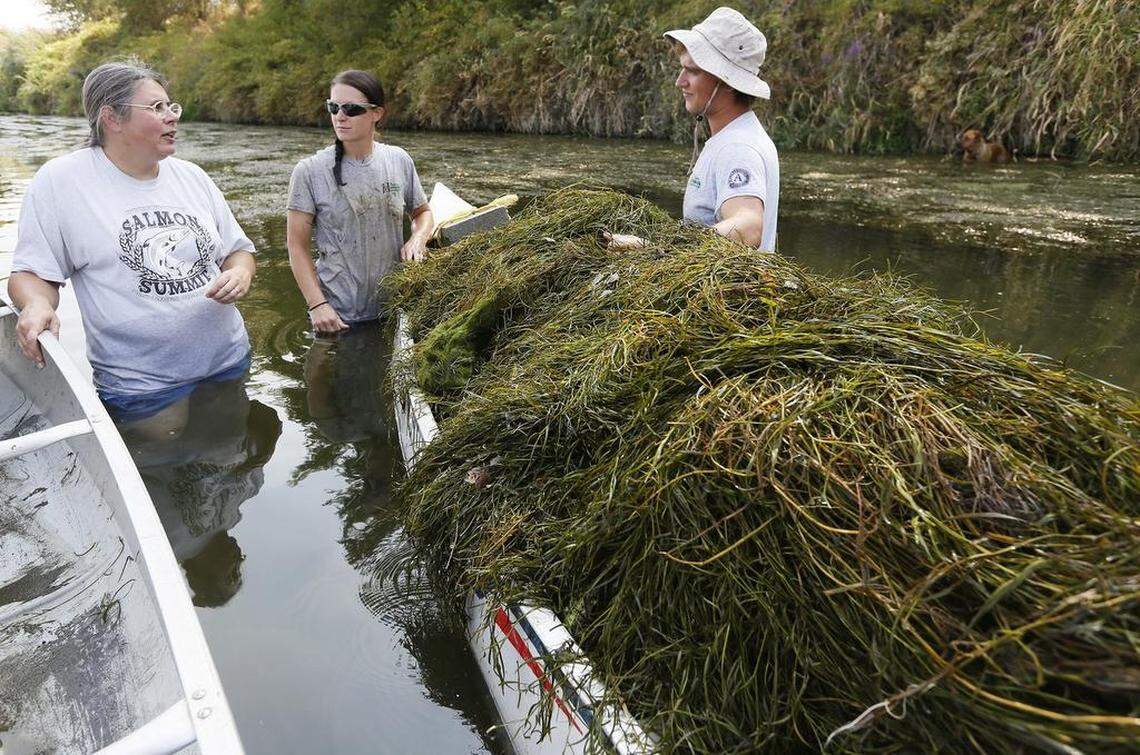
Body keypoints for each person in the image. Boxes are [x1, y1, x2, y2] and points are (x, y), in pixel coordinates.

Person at [9, 59, 257, 428]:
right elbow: (30, 273)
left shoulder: (192, 176)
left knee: (225, 448)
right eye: (157, 108)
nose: (172, 116)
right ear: (112, 118)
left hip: (226, 362)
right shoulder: (62, 182)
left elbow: (238, 250)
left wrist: (239, 271)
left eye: (172, 106)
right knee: (164, 467)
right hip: (142, 386)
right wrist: (36, 303)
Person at [610, 7, 779, 251]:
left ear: (728, 82)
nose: (680, 81)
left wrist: (657, 249)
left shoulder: (738, 147)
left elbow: (749, 226)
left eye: (693, 71)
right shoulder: (737, 135)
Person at [286, 70, 433, 334]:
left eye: (351, 109)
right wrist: (317, 305)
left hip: (395, 310)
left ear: (376, 113)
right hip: (337, 318)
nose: (340, 116)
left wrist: (418, 239)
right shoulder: (309, 171)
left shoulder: (399, 160)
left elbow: (422, 212)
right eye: (334, 107)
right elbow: (296, 246)